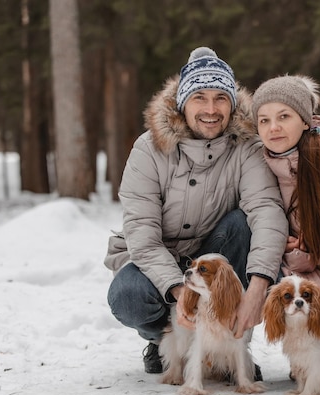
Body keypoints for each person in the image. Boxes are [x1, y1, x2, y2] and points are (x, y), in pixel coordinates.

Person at [104, 47, 288, 375]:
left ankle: (232, 347)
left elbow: (267, 211)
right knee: (128, 295)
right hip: (159, 258)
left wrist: (260, 285)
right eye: (199, 97)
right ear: (182, 103)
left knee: (242, 224)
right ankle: (166, 340)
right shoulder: (148, 149)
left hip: (215, 252)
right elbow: (142, 235)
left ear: (232, 103)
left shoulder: (246, 147)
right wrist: (179, 290)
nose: (211, 109)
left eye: (220, 97)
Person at [251, 75, 320, 302]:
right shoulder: (264, 169)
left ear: (305, 121)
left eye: (284, 116)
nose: (273, 128)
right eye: (264, 121)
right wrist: (298, 252)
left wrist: (316, 256)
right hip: (304, 282)